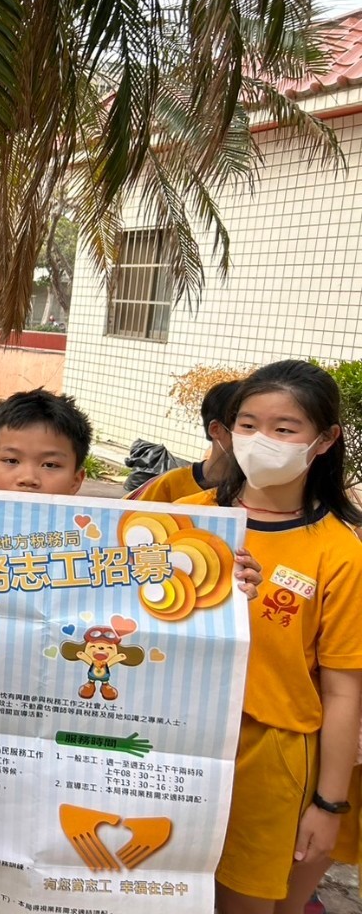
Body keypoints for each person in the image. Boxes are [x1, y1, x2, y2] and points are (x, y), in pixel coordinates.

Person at [171, 360, 362, 914]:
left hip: (269, 753)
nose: (261, 441)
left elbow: (343, 689)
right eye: (249, 425)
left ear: (324, 440)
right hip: (176, 738)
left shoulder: (338, 551)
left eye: (284, 429)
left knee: (243, 902)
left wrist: (329, 803)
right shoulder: (183, 519)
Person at [0, 389, 260, 588]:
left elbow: (171, 574)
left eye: (50, 465)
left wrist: (230, 580)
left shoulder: (105, 543)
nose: (28, 477)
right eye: (11, 460)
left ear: (77, 479)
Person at [127, 379, 241, 503]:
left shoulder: (254, 492)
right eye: (248, 426)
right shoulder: (170, 485)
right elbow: (122, 513)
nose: (255, 438)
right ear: (215, 429)